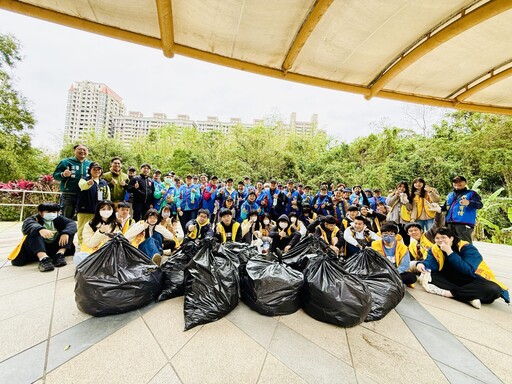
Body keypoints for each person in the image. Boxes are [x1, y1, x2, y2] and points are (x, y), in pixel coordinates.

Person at [416, 227, 509, 308]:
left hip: (471, 279)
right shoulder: (434, 249)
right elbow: (431, 262)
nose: (440, 240)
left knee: (494, 289)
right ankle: (468, 296)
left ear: (451, 238)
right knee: (428, 275)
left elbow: (468, 270)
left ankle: (450, 293)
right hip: (451, 279)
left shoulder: (467, 248)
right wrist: (422, 265)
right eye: (437, 238)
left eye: (443, 237)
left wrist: (450, 252)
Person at [8, 202, 76, 272]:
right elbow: (28, 224)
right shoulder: (34, 219)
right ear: (40, 212)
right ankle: (43, 259)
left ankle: (59, 254)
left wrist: (66, 233)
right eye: (48, 212)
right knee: (34, 232)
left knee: (69, 231)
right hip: (36, 248)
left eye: (54, 212)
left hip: (54, 247)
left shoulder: (60, 219)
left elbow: (72, 224)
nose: (52, 214)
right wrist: (40, 229)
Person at [76, 162, 111, 246]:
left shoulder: (103, 182)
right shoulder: (84, 179)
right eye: (94, 169)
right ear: (90, 170)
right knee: (82, 228)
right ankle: (82, 245)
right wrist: (88, 183)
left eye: (99, 169)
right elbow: (82, 186)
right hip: (85, 209)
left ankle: (95, 245)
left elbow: (107, 196)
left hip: (99, 211)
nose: (97, 171)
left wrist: (107, 208)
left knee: (97, 227)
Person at [53, 143, 92, 218]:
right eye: (80, 149)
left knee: (83, 217)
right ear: (74, 150)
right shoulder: (65, 162)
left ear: (87, 152)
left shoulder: (90, 164)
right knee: (66, 217)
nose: (82, 151)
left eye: (84, 150)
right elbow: (55, 175)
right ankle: (65, 230)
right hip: (69, 194)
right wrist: (63, 174)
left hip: (85, 195)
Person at [443, 175, 483, 243]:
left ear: (465, 183)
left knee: (465, 245)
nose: (457, 184)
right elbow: (445, 207)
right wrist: (437, 208)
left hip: (464, 224)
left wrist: (468, 203)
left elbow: (479, 205)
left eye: (460, 182)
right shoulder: (450, 195)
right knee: (451, 245)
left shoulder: (471, 194)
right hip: (449, 224)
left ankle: (469, 254)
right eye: (455, 182)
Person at [386, 181, 413, 245]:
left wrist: (405, 201)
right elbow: (389, 203)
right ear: (397, 187)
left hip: (405, 221)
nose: (402, 188)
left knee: (406, 238)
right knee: (395, 237)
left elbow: (410, 208)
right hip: (394, 220)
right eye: (400, 186)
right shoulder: (391, 195)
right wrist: (396, 196)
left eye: (404, 187)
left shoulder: (409, 196)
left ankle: (407, 251)